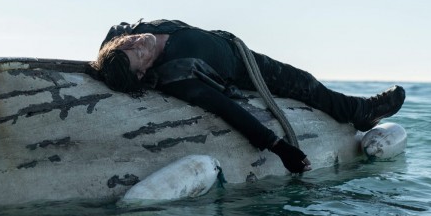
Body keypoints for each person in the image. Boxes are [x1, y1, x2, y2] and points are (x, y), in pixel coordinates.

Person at [91, 19, 405, 175]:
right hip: (245, 68)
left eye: (128, 45)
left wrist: (107, 58)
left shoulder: (126, 33)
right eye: (137, 54)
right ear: (142, 73)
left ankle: (358, 109)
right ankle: (359, 111)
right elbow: (225, 108)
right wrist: (280, 148)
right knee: (304, 84)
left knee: (305, 78)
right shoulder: (177, 75)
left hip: (235, 45)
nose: (137, 43)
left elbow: (112, 43)